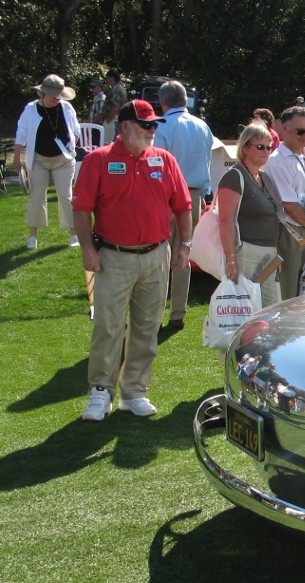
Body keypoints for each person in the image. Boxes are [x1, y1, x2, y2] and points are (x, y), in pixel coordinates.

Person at [72, 100, 193, 421]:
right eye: (146, 125)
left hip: (156, 255)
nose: (152, 131)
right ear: (124, 127)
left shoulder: (164, 160)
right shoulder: (99, 160)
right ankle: (100, 391)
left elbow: (183, 205)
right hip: (113, 256)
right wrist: (87, 248)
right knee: (108, 325)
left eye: (154, 125)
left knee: (147, 327)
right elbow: (81, 208)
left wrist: (185, 245)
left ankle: (134, 391)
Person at [153, 79, 213, 330]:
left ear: (163, 102)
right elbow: (208, 160)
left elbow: (156, 164)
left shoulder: (164, 126)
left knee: (160, 255)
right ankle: (178, 313)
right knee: (183, 253)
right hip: (196, 195)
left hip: (168, 195)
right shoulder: (203, 126)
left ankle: (155, 313)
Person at [263, 105, 305, 299]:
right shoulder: (276, 160)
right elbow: (289, 204)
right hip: (293, 232)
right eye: (300, 131)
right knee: (290, 289)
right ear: (284, 129)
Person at [217, 122, 284, 307]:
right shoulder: (234, 176)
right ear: (245, 147)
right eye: (260, 147)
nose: (266, 151)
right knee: (247, 310)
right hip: (246, 253)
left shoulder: (265, 177)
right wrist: (231, 259)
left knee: (271, 310)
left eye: (269, 147)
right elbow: (226, 220)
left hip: (270, 254)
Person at [12, 74, 81, 250]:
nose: (57, 100)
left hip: (64, 160)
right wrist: (17, 157)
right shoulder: (30, 109)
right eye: (54, 97)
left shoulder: (67, 108)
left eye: (60, 97)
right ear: (43, 94)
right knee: (36, 197)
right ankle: (32, 236)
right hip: (39, 160)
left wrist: (71, 144)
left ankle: (74, 234)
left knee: (66, 197)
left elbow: (76, 131)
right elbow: (21, 132)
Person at [100, 69, 127, 144]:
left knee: (107, 143)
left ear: (112, 78)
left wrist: (108, 121)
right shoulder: (121, 88)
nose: (107, 80)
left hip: (112, 121)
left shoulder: (116, 90)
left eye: (107, 78)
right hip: (117, 120)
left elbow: (115, 106)